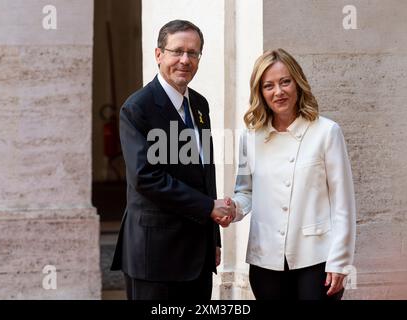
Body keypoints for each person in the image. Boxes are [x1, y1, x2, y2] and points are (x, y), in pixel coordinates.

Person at [110, 20, 234, 300]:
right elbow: (146, 177)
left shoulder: (200, 105)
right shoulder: (137, 108)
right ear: (158, 54)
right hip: (154, 255)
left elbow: (205, 172)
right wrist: (208, 208)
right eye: (177, 51)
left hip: (198, 255)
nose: (185, 60)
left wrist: (212, 238)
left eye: (193, 53)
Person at [229, 49, 356, 300]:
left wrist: (340, 260)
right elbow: (245, 191)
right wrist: (232, 208)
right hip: (265, 260)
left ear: (297, 83)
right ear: (260, 93)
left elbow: (343, 203)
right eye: (269, 86)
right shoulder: (250, 137)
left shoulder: (326, 132)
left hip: (316, 259)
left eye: (285, 82)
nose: (279, 91)